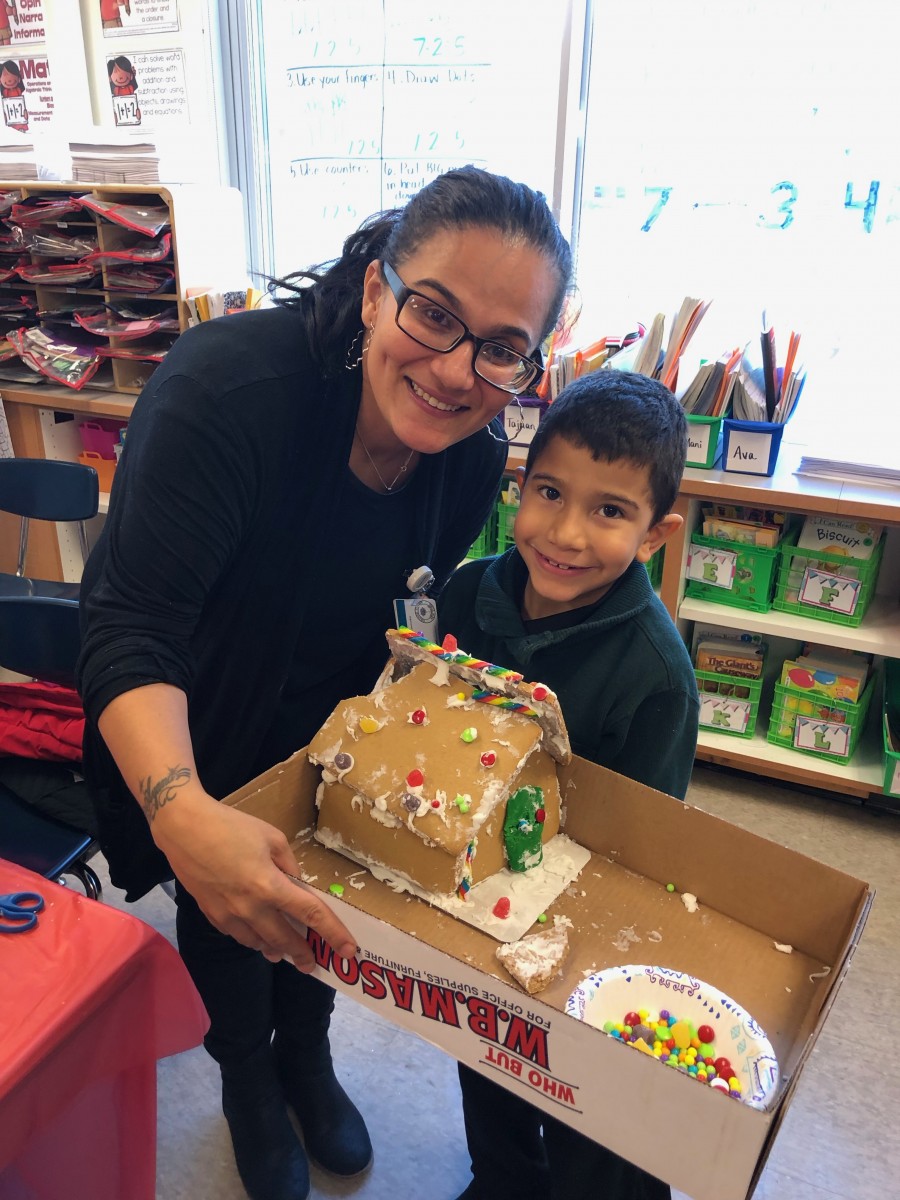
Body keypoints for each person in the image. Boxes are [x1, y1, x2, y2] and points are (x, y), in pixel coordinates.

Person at [75, 166, 573, 1200]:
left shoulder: (471, 457)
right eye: (434, 314)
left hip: (325, 734)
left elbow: (405, 606)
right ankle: (248, 1078)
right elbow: (130, 624)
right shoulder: (228, 392)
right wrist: (180, 808)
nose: (455, 369)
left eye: (502, 347)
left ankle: (305, 1052)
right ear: (377, 289)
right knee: (225, 909)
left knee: (319, 913)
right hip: (191, 724)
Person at [438, 369, 700, 1200]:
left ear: (656, 535)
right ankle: (502, 1179)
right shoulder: (468, 594)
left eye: (610, 511)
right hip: (471, 898)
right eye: (550, 493)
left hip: (581, 922)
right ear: (521, 486)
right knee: (485, 1055)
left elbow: (643, 845)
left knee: (589, 1106)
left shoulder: (657, 675)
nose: (567, 533)